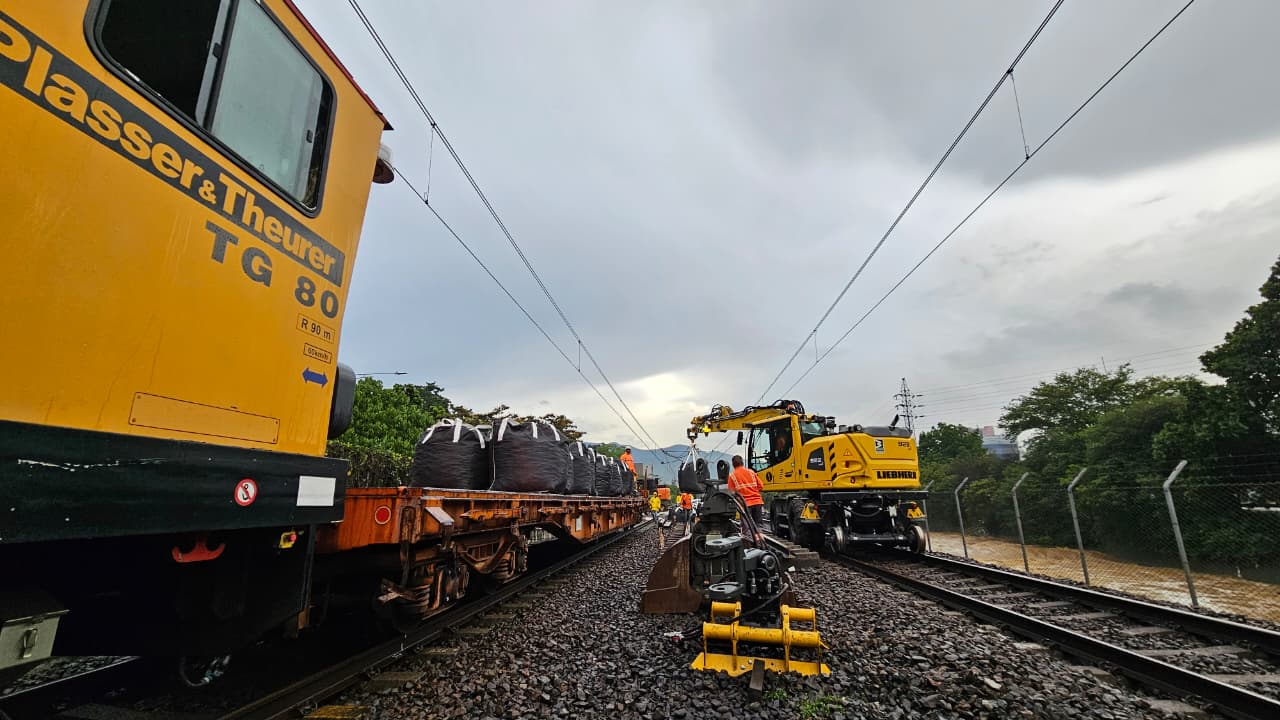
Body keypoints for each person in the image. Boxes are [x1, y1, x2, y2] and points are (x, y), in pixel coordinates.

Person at [727, 455, 765, 544]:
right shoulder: (751, 472)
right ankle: (761, 545)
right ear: (742, 462)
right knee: (758, 526)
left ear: (733, 464)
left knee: (747, 528)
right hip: (757, 502)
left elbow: (731, 493)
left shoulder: (732, 476)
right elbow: (761, 486)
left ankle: (751, 547)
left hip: (745, 506)